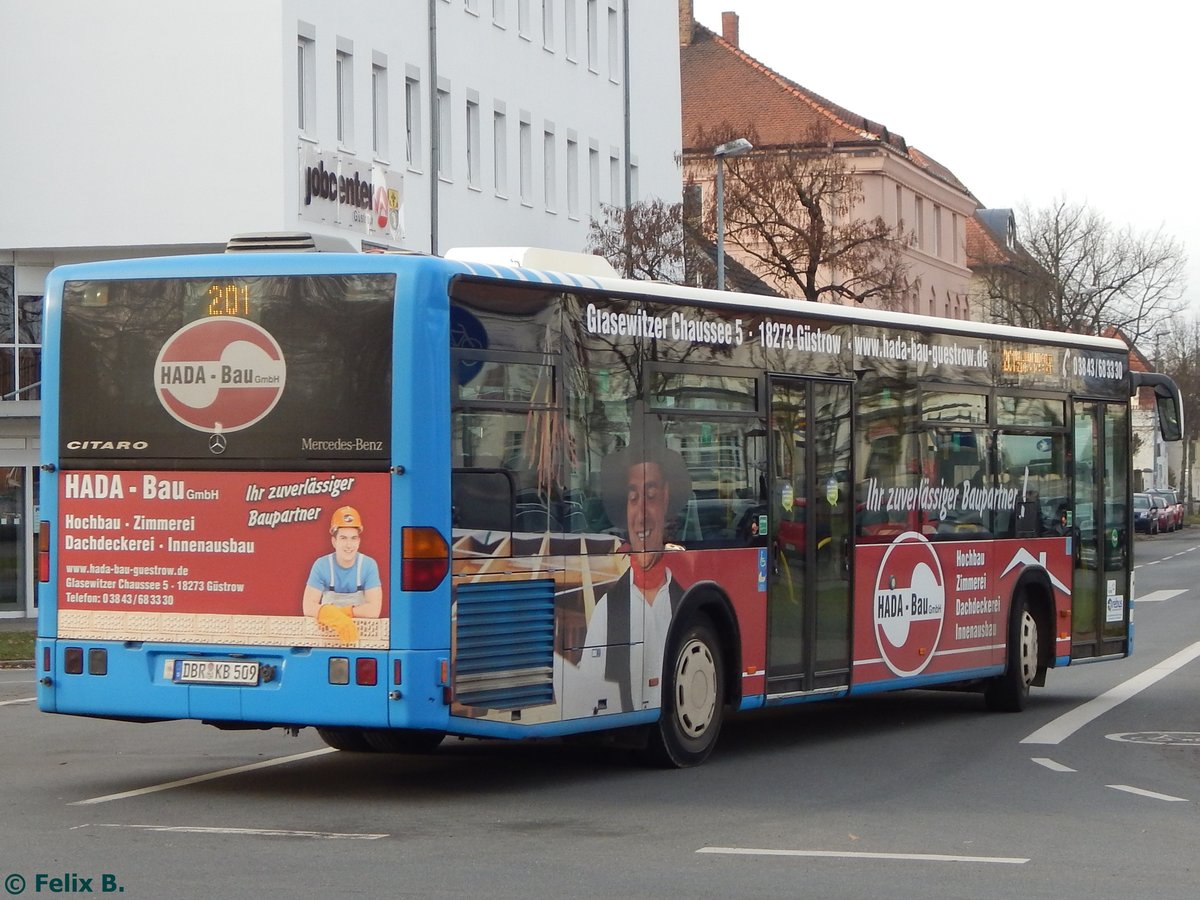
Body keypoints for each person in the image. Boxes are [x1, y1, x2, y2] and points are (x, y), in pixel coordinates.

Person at [565, 408, 691, 716]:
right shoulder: (607, 609)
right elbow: (587, 688)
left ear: (667, 499)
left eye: (651, 495)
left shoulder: (687, 601)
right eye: (633, 498)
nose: (642, 512)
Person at [302, 506, 383, 643]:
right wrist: (332, 616)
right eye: (343, 538)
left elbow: (374, 610)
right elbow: (308, 606)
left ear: (359, 541)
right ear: (334, 541)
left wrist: (345, 614)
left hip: (360, 637)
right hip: (326, 637)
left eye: (353, 538)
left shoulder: (368, 565)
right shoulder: (322, 565)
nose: (349, 545)